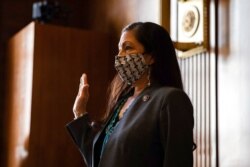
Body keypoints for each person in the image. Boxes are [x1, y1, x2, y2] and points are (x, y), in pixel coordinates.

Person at [66, 22, 195, 167]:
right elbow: (99, 159)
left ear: (151, 57)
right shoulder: (121, 102)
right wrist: (79, 112)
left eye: (128, 48)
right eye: (119, 49)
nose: (120, 56)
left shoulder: (170, 99)